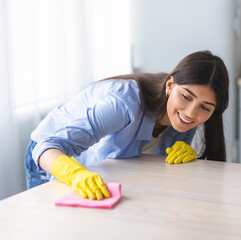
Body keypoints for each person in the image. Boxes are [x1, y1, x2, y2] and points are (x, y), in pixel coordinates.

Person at [25, 50, 229, 200]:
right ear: (169, 86)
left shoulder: (189, 117)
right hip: (50, 156)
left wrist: (184, 157)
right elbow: (47, 146)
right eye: (186, 96)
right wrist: (76, 174)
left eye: (206, 107)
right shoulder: (122, 106)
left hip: (99, 167)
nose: (191, 113)